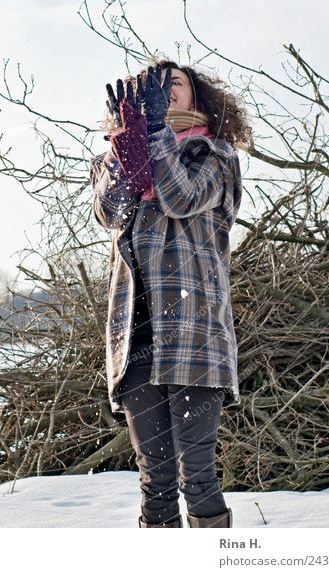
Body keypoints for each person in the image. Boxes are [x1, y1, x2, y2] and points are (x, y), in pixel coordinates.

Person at [89, 57, 251, 528]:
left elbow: (180, 197)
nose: (166, 91)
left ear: (197, 96)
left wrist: (157, 133)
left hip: (196, 334)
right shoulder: (113, 158)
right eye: (154, 87)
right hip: (135, 336)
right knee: (154, 481)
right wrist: (128, 148)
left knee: (197, 476)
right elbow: (110, 211)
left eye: (174, 84)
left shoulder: (214, 157)